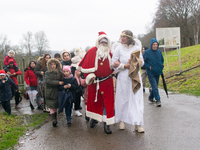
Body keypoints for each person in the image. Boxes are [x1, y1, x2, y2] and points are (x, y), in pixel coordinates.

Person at [77, 31, 115, 134]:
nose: (103, 44)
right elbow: (83, 68)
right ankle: (93, 118)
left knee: (108, 103)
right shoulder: (91, 51)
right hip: (95, 82)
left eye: (105, 42)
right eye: (102, 42)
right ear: (98, 42)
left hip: (107, 81)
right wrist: (89, 76)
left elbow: (115, 66)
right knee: (94, 101)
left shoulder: (111, 53)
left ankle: (107, 124)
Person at [112, 30, 145, 133]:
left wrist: (134, 62)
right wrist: (124, 66)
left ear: (129, 38)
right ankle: (122, 120)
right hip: (123, 77)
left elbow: (142, 62)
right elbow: (113, 63)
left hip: (134, 77)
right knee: (123, 99)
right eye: (121, 36)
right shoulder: (118, 49)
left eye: (124, 36)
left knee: (136, 100)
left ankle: (137, 123)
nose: (122, 38)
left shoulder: (136, 48)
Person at [143, 38, 164, 107]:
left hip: (158, 72)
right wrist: (149, 67)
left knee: (155, 87)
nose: (155, 46)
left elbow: (162, 60)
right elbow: (143, 62)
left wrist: (162, 65)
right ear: (151, 45)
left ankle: (150, 97)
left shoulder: (159, 52)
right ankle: (158, 100)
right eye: (154, 44)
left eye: (156, 44)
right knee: (154, 87)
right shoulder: (147, 52)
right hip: (151, 73)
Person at [45, 58, 64, 127]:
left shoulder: (60, 72)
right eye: (51, 64)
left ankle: (55, 119)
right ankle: (53, 119)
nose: (53, 66)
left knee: (55, 106)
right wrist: (58, 82)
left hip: (57, 91)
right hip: (50, 91)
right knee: (51, 106)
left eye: (54, 64)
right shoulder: (47, 73)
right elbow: (48, 82)